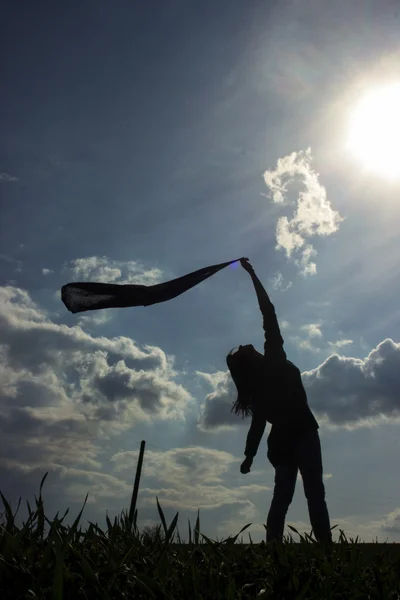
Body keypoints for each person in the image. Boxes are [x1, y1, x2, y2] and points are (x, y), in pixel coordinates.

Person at [226, 258, 332, 546]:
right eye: (247, 348)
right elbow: (268, 311)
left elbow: (258, 425)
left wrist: (249, 456)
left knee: (283, 498)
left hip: (283, 442)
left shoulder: (256, 388)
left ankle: (273, 551)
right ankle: (326, 551)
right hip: (303, 434)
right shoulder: (273, 358)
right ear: (251, 360)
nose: (250, 345)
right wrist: (252, 275)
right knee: (314, 495)